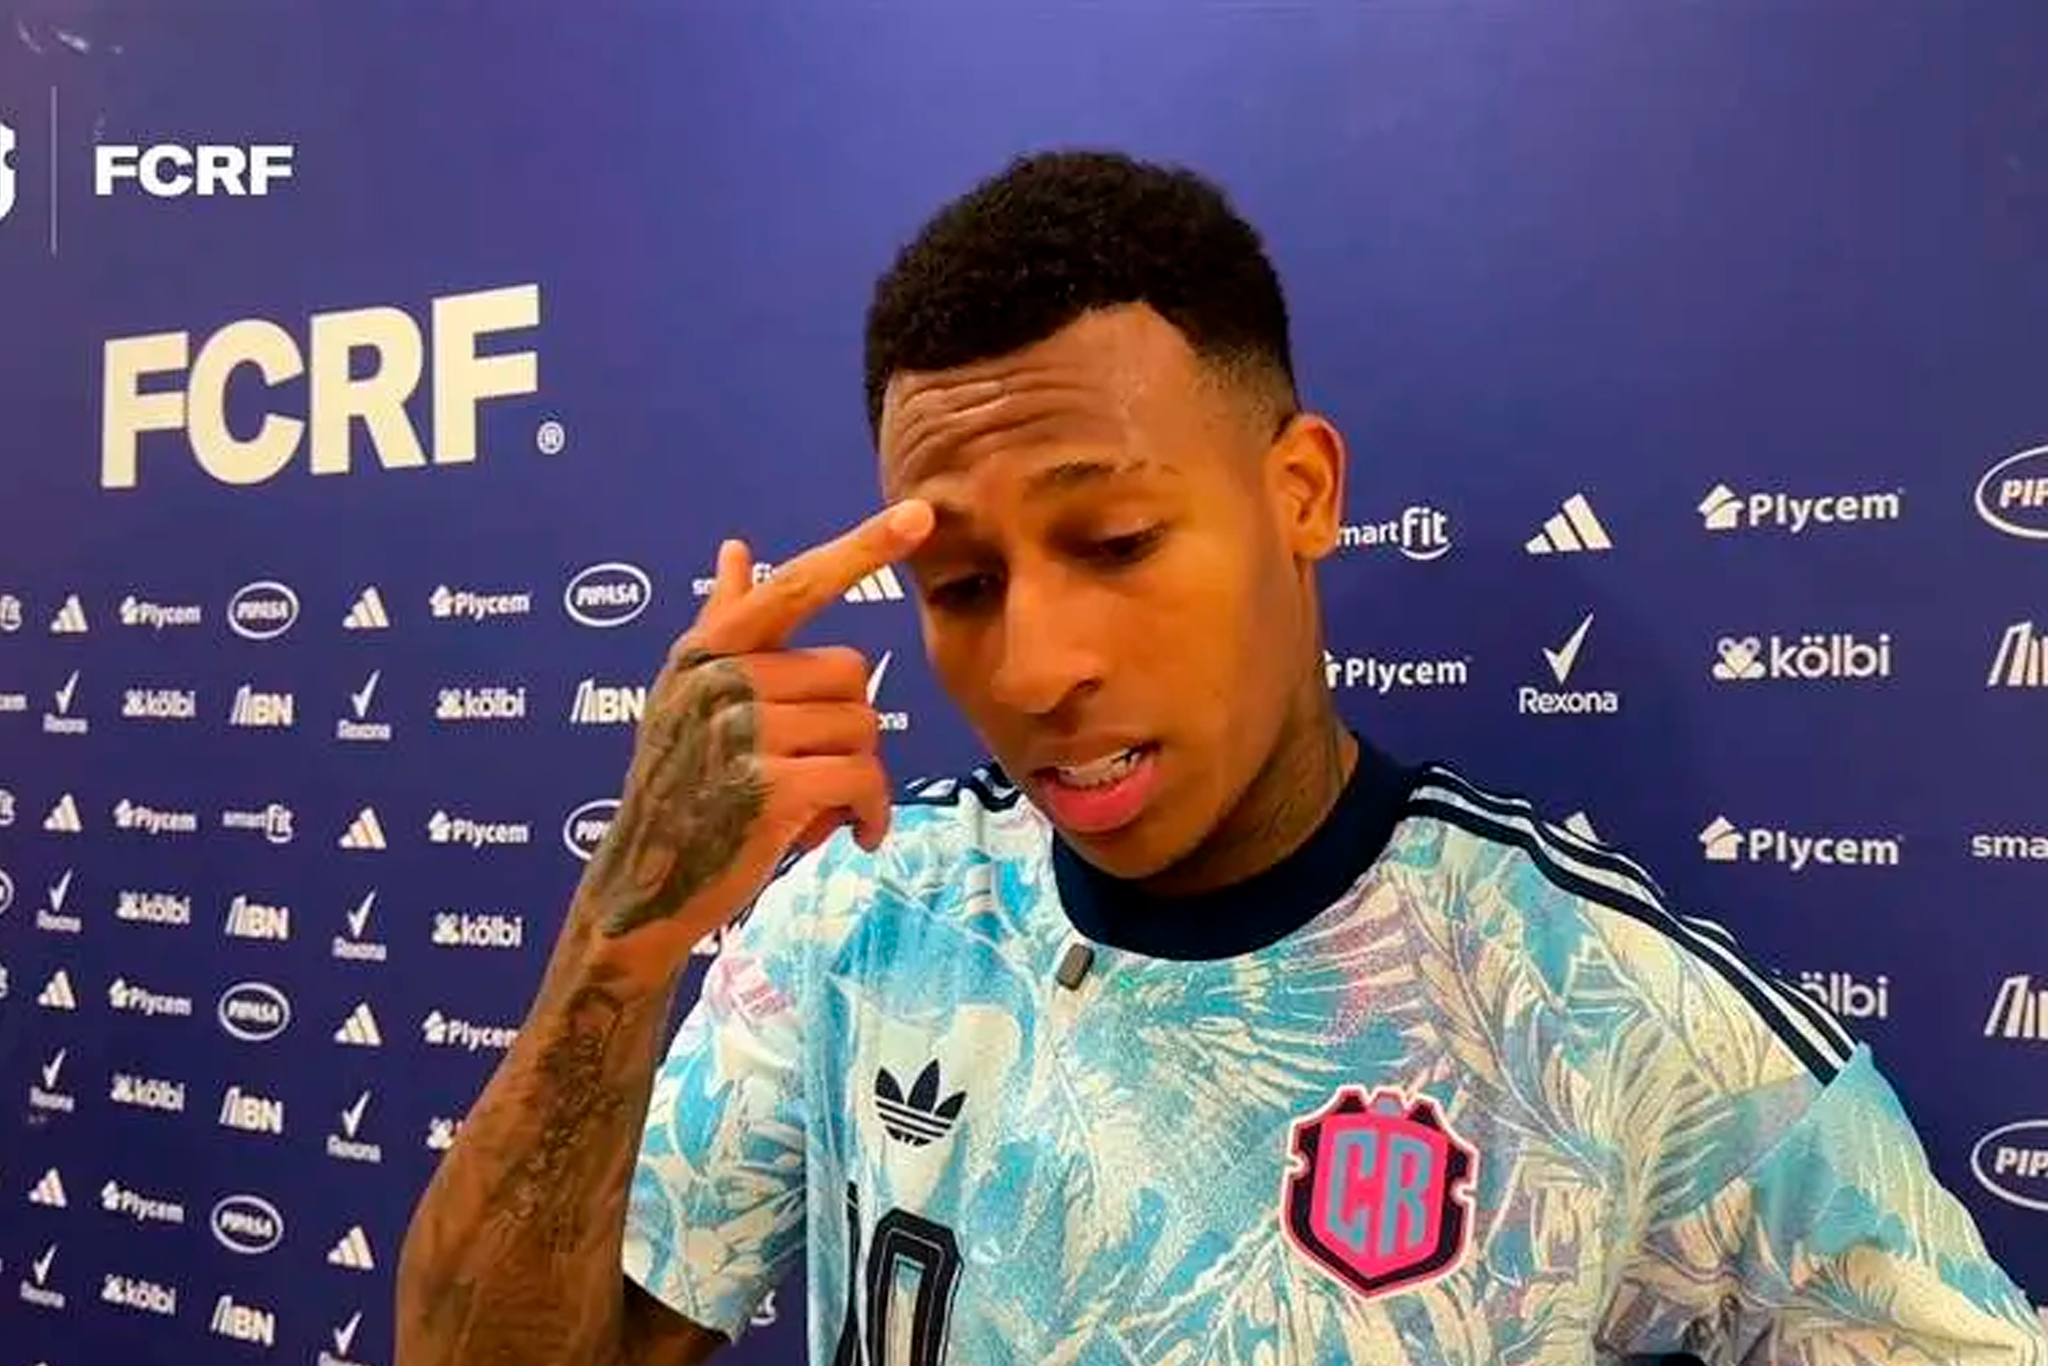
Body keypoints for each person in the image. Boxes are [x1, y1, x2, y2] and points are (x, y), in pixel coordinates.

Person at [392, 150, 2047, 1366]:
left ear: (1301, 493)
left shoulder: (1594, 1002)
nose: (1035, 666)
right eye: (959, 586)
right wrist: (624, 931)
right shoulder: (860, 919)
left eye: (1115, 542)